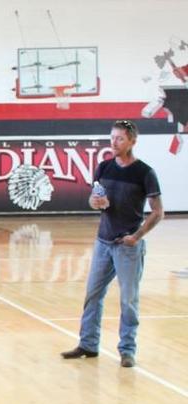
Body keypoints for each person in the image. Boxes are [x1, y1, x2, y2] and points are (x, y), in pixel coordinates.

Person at [61, 119, 164, 368]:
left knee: (128, 300)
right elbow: (94, 198)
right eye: (111, 138)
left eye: (119, 138)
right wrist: (93, 202)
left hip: (128, 246)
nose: (113, 143)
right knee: (93, 295)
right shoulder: (104, 168)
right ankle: (88, 344)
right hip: (103, 243)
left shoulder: (145, 173)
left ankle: (127, 350)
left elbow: (158, 212)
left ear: (132, 141)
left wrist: (137, 236)